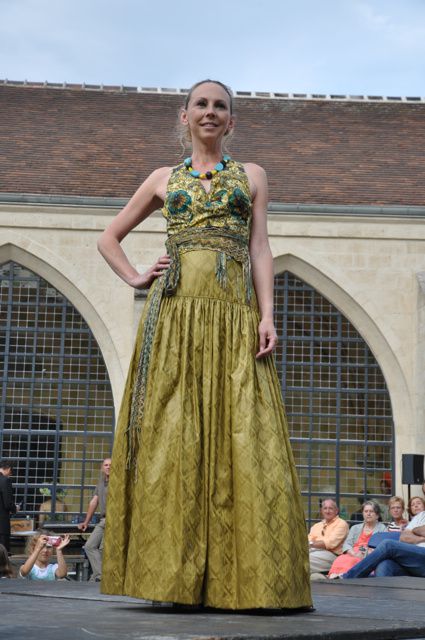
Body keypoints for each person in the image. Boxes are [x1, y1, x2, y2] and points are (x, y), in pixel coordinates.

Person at [99, 79, 312, 610]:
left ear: (231, 120)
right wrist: (136, 276)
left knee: (241, 434)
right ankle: (173, 577)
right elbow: (108, 238)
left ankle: (243, 579)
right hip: (173, 319)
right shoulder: (162, 178)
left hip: (234, 318)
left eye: (221, 106)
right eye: (202, 104)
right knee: (175, 437)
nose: (211, 112)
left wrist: (267, 315)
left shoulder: (253, 175)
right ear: (185, 115)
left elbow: (260, 247)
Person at [343, 503, 425, 578]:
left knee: (388, 545)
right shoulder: (421, 515)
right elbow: (403, 537)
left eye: (371, 511)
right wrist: (420, 535)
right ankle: (381, 593)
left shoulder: (381, 527)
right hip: (412, 560)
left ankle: (348, 577)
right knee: (384, 565)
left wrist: (414, 531)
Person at [328, 501, 386, 578]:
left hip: (368, 555)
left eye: (371, 511)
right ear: (363, 514)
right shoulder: (355, 528)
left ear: (377, 515)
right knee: (340, 559)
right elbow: (347, 544)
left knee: (353, 561)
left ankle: (343, 576)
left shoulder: (382, 528)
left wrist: (365, 553)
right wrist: (354, 553)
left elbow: (381, 548)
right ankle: (334, 576)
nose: (368, 514)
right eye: (366, 511)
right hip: (353, 553)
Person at [77, 458, 111, 582]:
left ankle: (98, 576)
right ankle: (100, 575)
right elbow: (94, 502)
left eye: (110, 465)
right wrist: (86, 522)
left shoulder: (118, 482)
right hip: (103, 520)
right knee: (90, 546)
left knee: (103, 550)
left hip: (113, 520)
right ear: (102, 468)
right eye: (106, 465)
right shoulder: (101, 482)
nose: (108, 467)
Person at [308, 499, 349, 575]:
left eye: (330, 508)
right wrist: (311, 543)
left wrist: (311, 543)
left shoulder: (341, 524)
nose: (327, 511)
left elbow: (330, 543)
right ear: (321, 511)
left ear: (336, 511)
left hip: (332, 555)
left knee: (305, 560)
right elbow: (308, 540)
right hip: (314, 551)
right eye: (325, 508)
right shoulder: (316, 526)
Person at [0, 459, 18, 552]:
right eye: (11, 472)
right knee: (3, 554)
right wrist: (15, 508)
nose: (10, 474)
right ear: (8, 469)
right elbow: (7, 503)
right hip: (1, 524)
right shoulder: (5, 480)